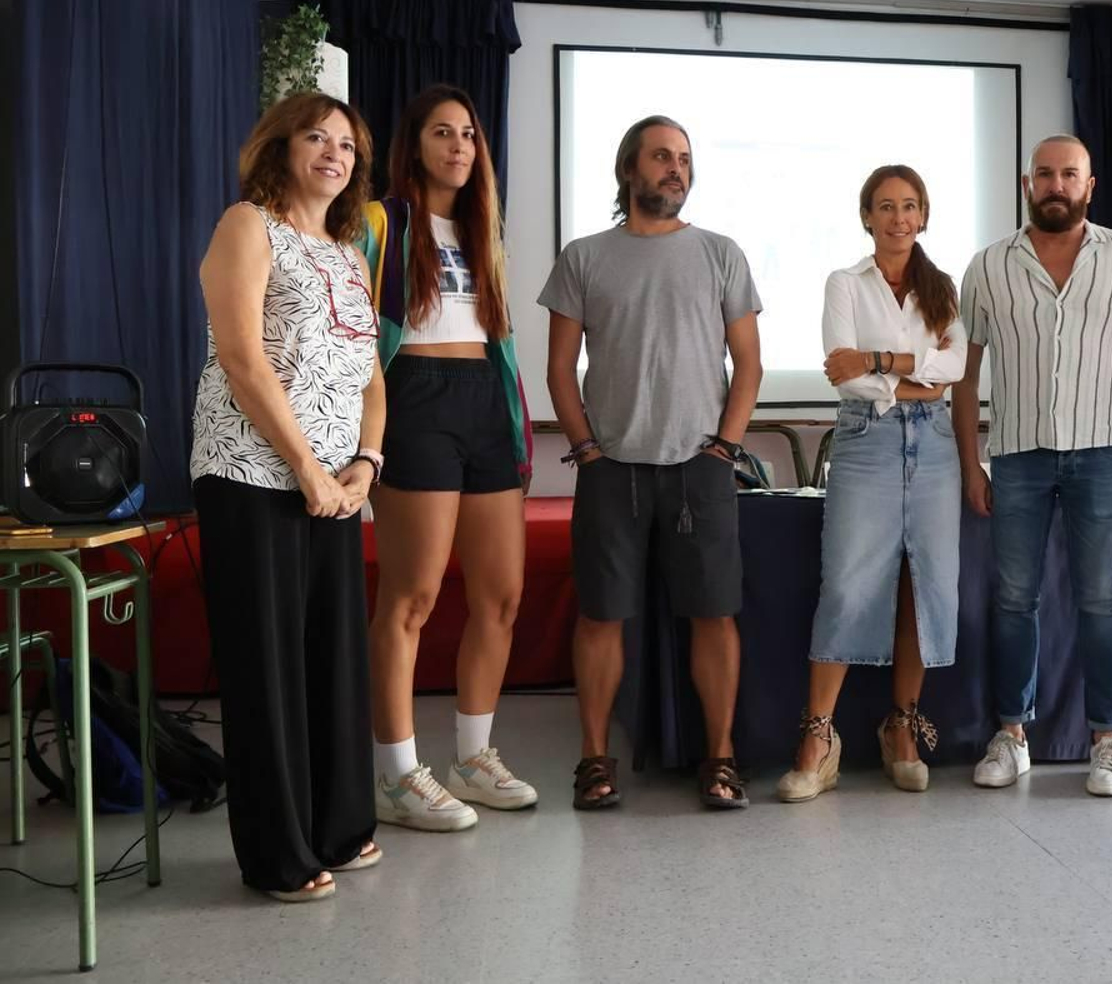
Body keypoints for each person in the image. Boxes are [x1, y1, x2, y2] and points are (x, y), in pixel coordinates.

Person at [190, 92, 385, 902]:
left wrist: (364, 467)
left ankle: (342, 826)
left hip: (336, 487)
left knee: (335, 662)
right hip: (252, 476)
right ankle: (280, 856)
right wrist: (307, 467)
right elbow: (242, 357)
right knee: (266, 670)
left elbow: (373, 375)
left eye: (347, 144)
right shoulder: (247, 224)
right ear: (280, 146)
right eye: (317, 137)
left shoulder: (348, 250)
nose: (335, 154)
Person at [540, 114, 762, 810]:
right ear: (629, 170)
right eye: (662, 157)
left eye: (685, 160)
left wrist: (725, 446)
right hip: (614, 470)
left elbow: (748, 364)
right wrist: (587, 450)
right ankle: (594, 760)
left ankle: (720, 760)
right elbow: (557, 368)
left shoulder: (721, 253)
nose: (676, 170)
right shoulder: (584, 256)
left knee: (714, 614)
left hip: (701, 466)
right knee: (602, 617)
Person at [953, 134, 1112, 796]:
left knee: (1099, 600)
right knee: (1014, 599)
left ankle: (1107, 740)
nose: (1057, 184)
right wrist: (973, 464)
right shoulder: (989, 265)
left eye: (1069, 175)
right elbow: (962, 378)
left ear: (1090, 184)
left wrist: (1102, 370)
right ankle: (1011, 734)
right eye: (1045, 174)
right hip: (1017, 455)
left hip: (1099, 451)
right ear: (1029, 184)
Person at [360, 85, 538, 832]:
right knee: (413, 599)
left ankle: (473, 758)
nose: (460, 144)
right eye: (442, 131)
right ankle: (397, 775)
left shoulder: (483, 228)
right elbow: (357, 329)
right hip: (416, 396)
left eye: (468, 133)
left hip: (483, 402)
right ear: (416, 144)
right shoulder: (379, 220)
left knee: (501, 595)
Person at [775, 165, 967, 802]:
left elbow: (956, 367)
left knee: (921, 580)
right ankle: (819, 736)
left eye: (909, 206)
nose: (898, 218)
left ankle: (902, 725)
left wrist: (882, 362)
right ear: (866, 217)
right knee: (851, 580)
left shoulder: (942, 289)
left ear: (924, 216)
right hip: (866, 440)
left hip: (935, 446)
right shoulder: (844, 283)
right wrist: (914, 377)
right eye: (885, 207)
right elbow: (842, 373)